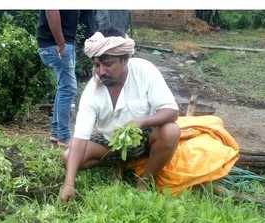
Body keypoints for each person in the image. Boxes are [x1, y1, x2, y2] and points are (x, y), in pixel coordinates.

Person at [59, 27, 181, 202]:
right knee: (68, 156)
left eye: (107, 64)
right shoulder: (92, 91)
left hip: (144, 137)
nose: (101, 71)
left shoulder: (144, 71)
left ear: (125, 59)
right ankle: (122, 162)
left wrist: (141, 122)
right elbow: (80, 138)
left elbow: (171, 111)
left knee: (171, 131)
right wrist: (69, 184)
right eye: (96, 65)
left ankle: (145, 181)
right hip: (110, 142)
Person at [37, 10, 79, 147]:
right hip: (56, 44)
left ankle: (56, 133)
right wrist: (61, 43)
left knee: (63, 88)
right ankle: (64, 137)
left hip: (56, 43)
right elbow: (51, 10)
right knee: (68, 89)